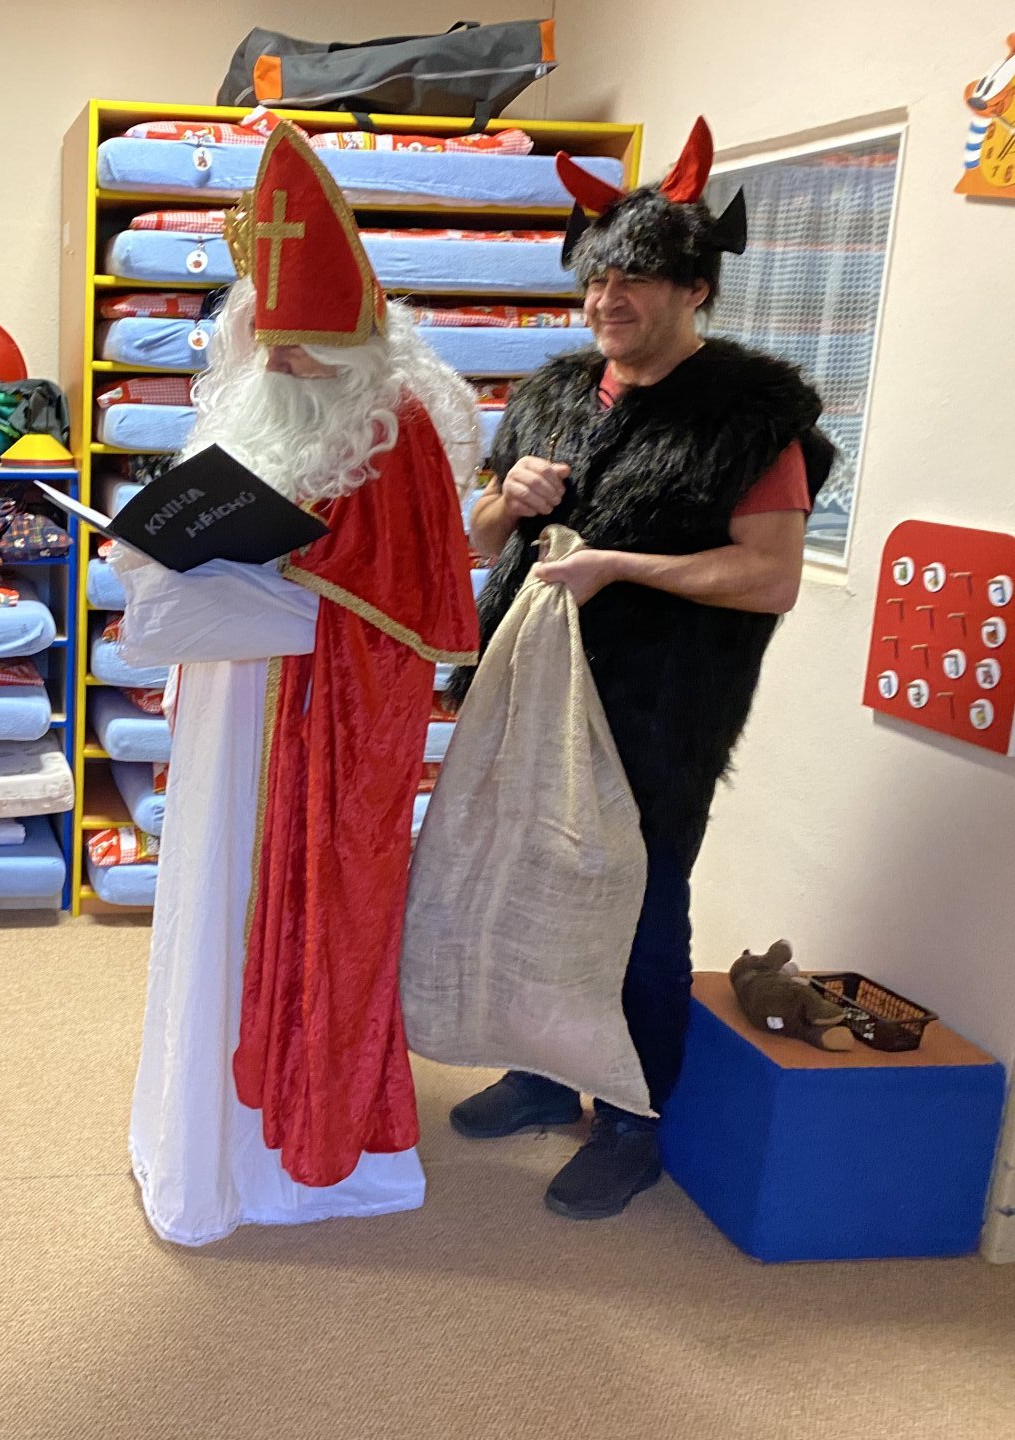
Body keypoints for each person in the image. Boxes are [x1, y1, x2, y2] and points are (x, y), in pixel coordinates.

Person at [450, 118, 835, 1220]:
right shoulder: (552, 394)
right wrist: (503, 501)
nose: (606, 298)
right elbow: (477, 537)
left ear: (695, 287)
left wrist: (622, 566)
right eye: (596, 278)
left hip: (660, 710)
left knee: (639, 916)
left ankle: (634, 1120)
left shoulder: (752, 418)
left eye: (634, 279)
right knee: (527, 888)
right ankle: (541, 1073)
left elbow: (769, 576)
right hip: (529, 693)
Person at [112, 122, 482, 1246]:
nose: (281, 372)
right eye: (270, 350)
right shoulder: (252, 404)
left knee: (307, 923)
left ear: (362, 341)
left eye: (306, 354)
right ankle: (207, 1134)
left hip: (319, 729)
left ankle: (297, 1157)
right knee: (216, 910)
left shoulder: (397, 429)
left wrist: (272, 585)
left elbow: (406, 609)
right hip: (236, 711)